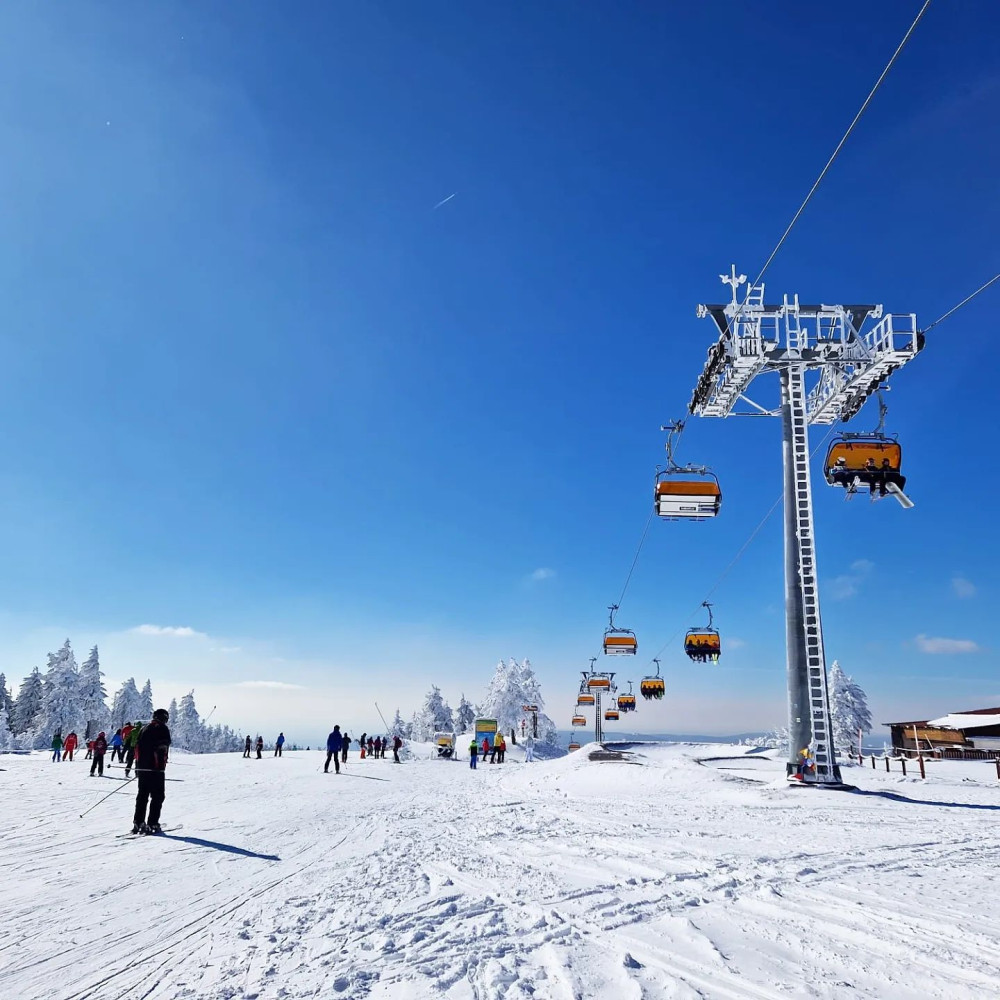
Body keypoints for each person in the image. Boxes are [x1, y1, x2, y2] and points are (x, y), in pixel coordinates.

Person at [132, 709, 171, 834]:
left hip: (142, 768)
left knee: (142, 795)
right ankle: (152, 823)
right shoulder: (162, 729)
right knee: (158, 796)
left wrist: (137, 767)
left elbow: (137, 748)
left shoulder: (144, 728)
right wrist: (160, 766)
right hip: (156, 769)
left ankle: (138, 822)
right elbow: (163, 747)